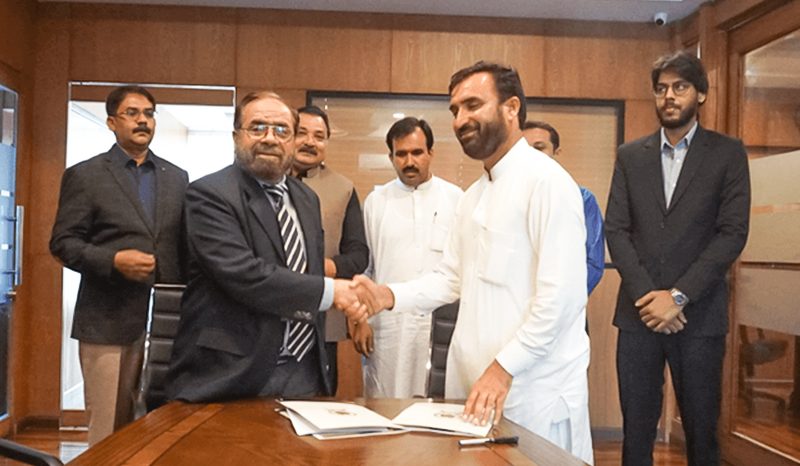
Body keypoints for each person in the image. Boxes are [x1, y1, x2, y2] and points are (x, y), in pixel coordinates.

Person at [355, 62, 593, 464]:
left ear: (511, 108)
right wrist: (387, 296)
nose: (460, 119)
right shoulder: (473, 197)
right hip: (475, 392)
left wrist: (503, 369)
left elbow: (561, 301)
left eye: (472, 105)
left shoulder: (548, 184)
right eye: (455, 110)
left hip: (531, 392)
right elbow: (450, 279)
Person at [166, 91, 371, 403]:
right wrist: (333, 292)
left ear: (292, 140)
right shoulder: (208, 194)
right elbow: (244, 274)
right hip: (234, 371)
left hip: (305, 369)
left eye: (281, 130)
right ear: (236, 136)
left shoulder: (306, 198)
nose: (270, 138)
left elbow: (308, 269)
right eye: (257, 127)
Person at [605, 51, 750, 466]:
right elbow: (616, 229)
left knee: (702, 435)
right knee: (636, 434)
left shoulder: (727, 153)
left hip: (698, 318)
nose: (669, 96)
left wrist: (679, 296)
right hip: (639, 315)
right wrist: (651, 298)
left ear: (700, 94)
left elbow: (732, 233)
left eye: (680, 87)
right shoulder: (631, 155)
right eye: (661, 88)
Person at [50, 86, 189, 445]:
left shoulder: (177, 177)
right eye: (132, 113)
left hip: (166, 323)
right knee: (109, 427)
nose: (143, 120)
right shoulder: (86, 175)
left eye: (149, 113)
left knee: (159, 423)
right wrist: (112, 261)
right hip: (107, 320)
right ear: (112, 122)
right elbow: (63, 244)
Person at [356, 117, 462, 398]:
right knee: (385, 400)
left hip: (439, 327)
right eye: (401, 154)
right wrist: (361, 321)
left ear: (431, 153)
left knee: (436, 402)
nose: (409, 161)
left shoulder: (456, 199)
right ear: (391, 157)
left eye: (417, 152)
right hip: (388, 327)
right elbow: (366, 269)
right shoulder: (376, 202)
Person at [291, 105, 369, 394]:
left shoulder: (343, 189)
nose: (310, 142)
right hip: (266, 318)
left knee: (319, 400)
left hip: (323, 318)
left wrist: (324, 267)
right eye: (302, 133)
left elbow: (359, 255)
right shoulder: (266, 183)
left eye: (319, 136)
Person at [522, 121, 604, 295]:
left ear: (556, 153)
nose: (530, 155)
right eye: (524, 149)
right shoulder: (505, 196)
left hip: (565, 303)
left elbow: (593, 263)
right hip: (513, 303)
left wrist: (561, 300)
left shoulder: (582, 198)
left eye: (539, 148)